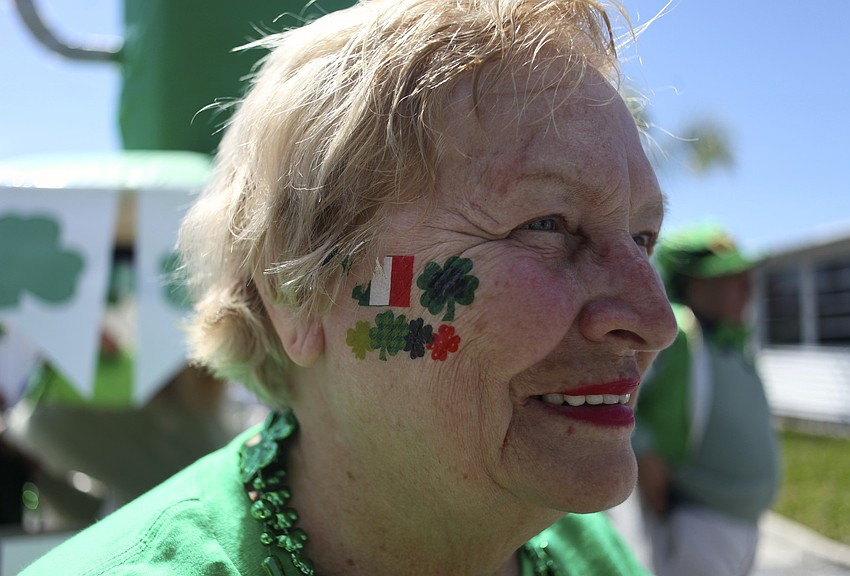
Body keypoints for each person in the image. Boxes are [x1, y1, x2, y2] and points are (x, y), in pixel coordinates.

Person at [20, 0, 678, 573]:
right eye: (547, 225)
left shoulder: (591, 555)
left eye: (644, 240)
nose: (656, 320)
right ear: (297, 293)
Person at [632, 224, 781, 576]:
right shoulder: (678, 335)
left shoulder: (732, 340)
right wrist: (643, 448)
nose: (748, 286)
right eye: (731, 276)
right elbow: (621, 397)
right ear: (694, 284)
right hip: (698, 523)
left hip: (743, 524)